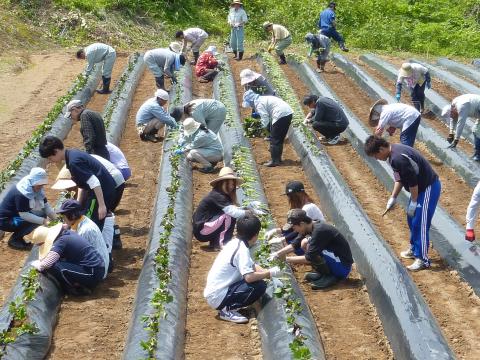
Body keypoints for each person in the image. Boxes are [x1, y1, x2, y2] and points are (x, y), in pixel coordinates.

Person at [364, 135, 441, 271]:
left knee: (420, 222)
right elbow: (399, 179)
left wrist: (415, 202)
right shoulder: (392, 155)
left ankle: (423, 259)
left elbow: (413, 183)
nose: (376, 159)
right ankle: (414, 248)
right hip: (418, 189)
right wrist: (393, 198)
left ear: (381, 149)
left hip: (428, 187)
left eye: (376, 155)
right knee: (411, 219)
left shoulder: (398, 158)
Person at [204, 213, 283, 323]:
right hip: (218, 296)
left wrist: (267, 272)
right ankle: (227, 310)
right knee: (259, 286)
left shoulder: (236, 243)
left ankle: (229, 305)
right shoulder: (242, 250)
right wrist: (269, 273)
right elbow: (249, 277)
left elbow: (252, 265)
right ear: (255, 235)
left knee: (258, 281)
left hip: (216, 292)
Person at [39, 136, 117, 231]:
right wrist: (78, 204)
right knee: (90, 219)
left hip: (103, 191)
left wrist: (101, 205)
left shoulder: (74, 162)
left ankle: (95, 243)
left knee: (91, 224)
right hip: (102, 190)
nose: (50, 161)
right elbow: (83, 184)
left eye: (50, 158)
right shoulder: (72, 154)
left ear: (56, 151)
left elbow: (94, 182)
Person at [271, 209, 353, 289]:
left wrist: (286, 259)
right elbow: (295, 244)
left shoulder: (320, 231)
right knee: (310, 246)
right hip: (335, 259)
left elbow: (309, 257)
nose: (294, 230)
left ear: (302, 224)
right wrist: (277, 254)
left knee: (313, 250)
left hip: (343, 267)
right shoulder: (311, 226)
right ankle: (323, 273)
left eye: (294, 227)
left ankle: (332, 276)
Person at [192, 167, 264, 249]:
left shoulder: (222, 195)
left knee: (229, 214)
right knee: (229, 216)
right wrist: (249, 212)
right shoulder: (217, 195)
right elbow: (234, 213)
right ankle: (221, 243)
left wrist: (249, 208)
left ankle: (216, 242)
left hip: (205, 228)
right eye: (230, 184)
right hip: (201, 231)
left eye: (233, 184)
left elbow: (235, 209)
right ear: (223, 183)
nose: (232, 187)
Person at [51, 166, 119, 251]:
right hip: (94, 219)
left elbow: (84, 213)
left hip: (102, 220)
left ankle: (115, 239)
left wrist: (70, 225)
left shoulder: (86, 192)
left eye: (69, 187)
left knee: (103, 247)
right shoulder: (75, 192)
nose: (67, 189)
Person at [28, 223, 105, 295]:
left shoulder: (60, 242)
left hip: (93, 273)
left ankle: (77, 288)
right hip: (97, 269)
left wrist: (37, 265)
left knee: (56, 267)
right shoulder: (67, 234)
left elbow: (47, 264)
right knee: (58, 261)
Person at [0, 168, 57, 250]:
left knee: (42, 214)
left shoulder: (35, 187)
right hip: (6, 221)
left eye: (42, 184)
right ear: (33, 181)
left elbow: (45, 206)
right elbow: (24, 215)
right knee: (37, 219)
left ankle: (17, 237)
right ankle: (15, 240)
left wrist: (56, 219)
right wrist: (44, 221)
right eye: (39, 184)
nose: (41, 186)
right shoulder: (22, 193)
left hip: (16, 215)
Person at [265, 181, 325, 255]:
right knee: (286, 235)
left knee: (293, 242)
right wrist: (275, 231)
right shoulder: (302, 206)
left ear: (298, 195)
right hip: (307, 232)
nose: (290, 199)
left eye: (291, 196)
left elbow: (299, 230)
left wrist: (282, 240)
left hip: (318, 239)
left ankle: (311, 257)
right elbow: (292, 227)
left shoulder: (307, 208)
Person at [57, 199, 110, 278]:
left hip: (98, 270)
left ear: (73, 216)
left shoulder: (85, 231)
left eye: (64, 217)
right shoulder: (83, 220)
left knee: (59, 265)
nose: (63, 220)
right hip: (100, 264)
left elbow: (75, 255)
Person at [242, 90, 293, 166]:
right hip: (287, 113)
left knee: (274, 138)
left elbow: (265, 119)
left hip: (280, 114)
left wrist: (258, 130)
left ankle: (275, 161)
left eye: (250, 103)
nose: (250, 105)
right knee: (279, 138)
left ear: (251, 101)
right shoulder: (263, 98)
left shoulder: (259, 103)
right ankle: (278, 159)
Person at [441, 94, 480, 160]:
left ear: (452, 111)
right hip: (478, 110)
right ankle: (477, 153)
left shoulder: (462, 106)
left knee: (476, 131)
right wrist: (451, 133)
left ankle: (478, 155)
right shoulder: (453, 106)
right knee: (476, 130)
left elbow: (460, 123)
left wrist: (456, 140)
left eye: (451, 115)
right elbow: (453, 119)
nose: (452, 117)